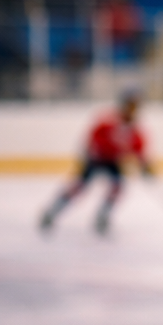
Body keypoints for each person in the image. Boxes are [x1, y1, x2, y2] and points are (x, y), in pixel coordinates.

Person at [39, 90, 151, 235]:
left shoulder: (134, 127)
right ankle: (52, 212)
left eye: (135, 106)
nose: (133, 109)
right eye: (131, 105)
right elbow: (94, 138)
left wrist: (144, 164)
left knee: (117, 188)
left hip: (113, 161)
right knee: (78, 187)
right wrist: (108, 149)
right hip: (95, 158)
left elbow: (138, 147)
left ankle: (102, 216)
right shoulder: (109, 120)